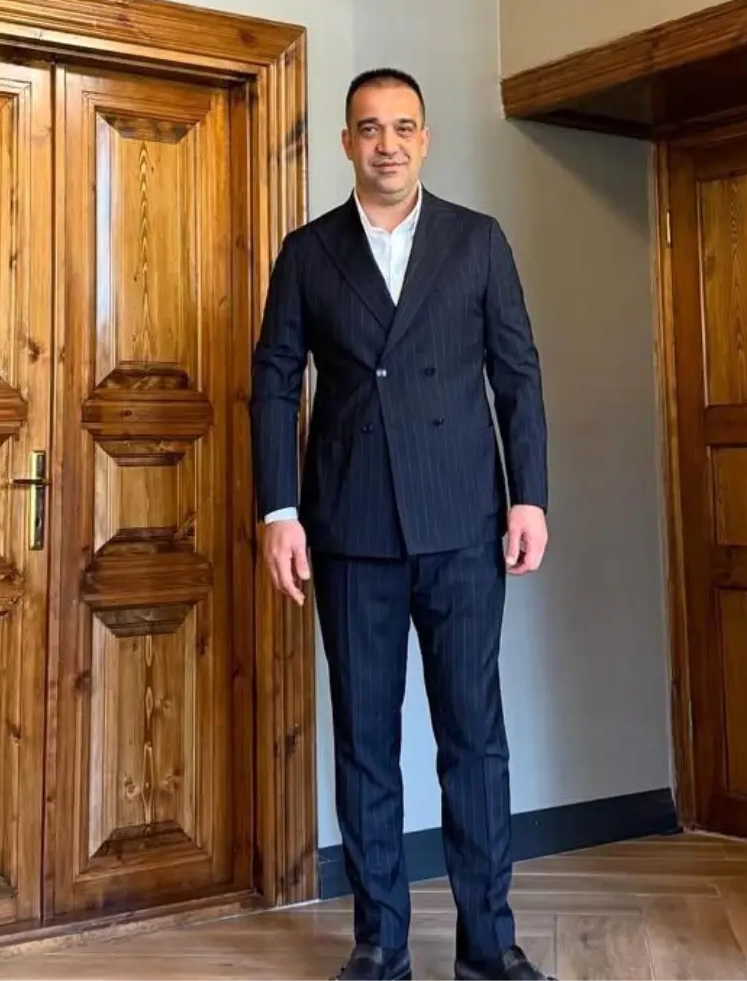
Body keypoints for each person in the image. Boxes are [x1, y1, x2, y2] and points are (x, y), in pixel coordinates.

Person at [250, 69, 555, 981]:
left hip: (463, 521)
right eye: (371, 128)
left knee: (474, 739)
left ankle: (489, 948)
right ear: (347, 142)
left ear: (426, 139)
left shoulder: (477, 240)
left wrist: (529, 497)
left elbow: (517, 374)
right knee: (366, 743)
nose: (388, 144)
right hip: (350, 531)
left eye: (404, 127)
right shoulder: (308, 252)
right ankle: (380, 947)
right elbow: (275, 383)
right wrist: (278, 509)